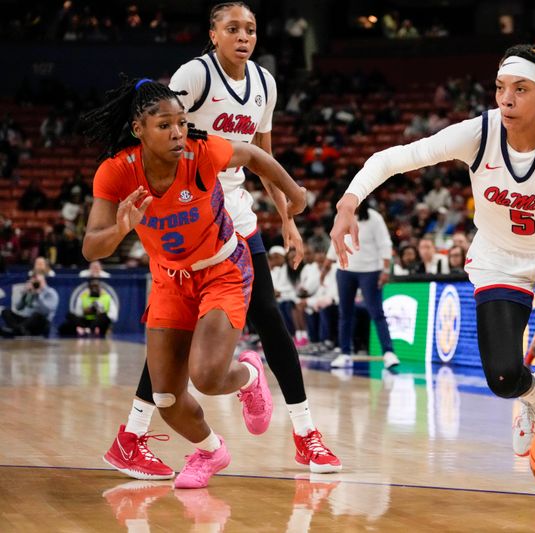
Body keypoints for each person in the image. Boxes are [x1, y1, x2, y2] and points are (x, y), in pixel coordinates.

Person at [330, 43, 535, 504]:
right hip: (500, 260)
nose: (506, 99)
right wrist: (348, 202)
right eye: (501, 87)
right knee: (503, 377)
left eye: (520, 89)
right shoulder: (478, 133)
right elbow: (393, 158)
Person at [106, 1, 341, 480]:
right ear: (212, 34)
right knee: (172, 335)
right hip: (190, 218)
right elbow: (158, 131)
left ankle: (306, 436)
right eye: (232, 28)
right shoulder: (194, 76)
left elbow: (262, 155)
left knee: (272, 321)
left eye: (251, 29)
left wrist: (286, 218)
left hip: (236, 217)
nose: (244, 36)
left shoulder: (265, 83)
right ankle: (132, 435)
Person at [81, 76, 306, 488]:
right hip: (169, 280)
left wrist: (295, 193)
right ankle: (210, 451)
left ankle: (249, 376)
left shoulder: (201, 154)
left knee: (205, 376)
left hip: (223, 269)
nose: (177, 132)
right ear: (139, 130)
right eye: (164, 125)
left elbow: (254, 155)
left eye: (181, 122)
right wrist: (120, 230)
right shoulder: (116, 172)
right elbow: (91, 249)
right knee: (166, 398)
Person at [326, 201, 399, 369]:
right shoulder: (340, 216)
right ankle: (345, 353)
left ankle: (389, 352)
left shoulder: (374, 218)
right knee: (345, 313)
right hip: (345, 270)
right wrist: (326, 265)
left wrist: (386, 269)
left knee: (376, 312)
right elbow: (334, 241)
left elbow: (385, 244)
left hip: (370, 271)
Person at [0, 273, 59, 337]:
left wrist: (38, 295)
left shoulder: (51, 292)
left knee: (37, 315)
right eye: (34, 282)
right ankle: (19, 329)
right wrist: (24, 294)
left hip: (40, 321)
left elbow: (46, 311)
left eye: (38, 282)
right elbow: (18, 308)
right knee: (6, 312)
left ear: (44, 281)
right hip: (27, 320)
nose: (36, 284)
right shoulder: (30, 291)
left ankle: (16, 330)